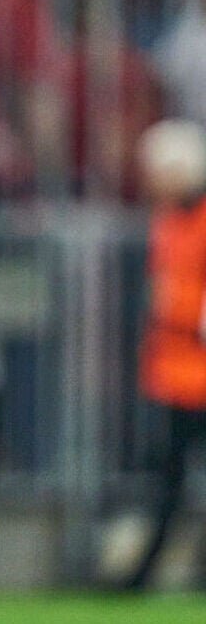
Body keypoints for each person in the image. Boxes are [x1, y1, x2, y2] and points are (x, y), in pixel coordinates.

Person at [124, 119, 206, 590]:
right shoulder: (170, 220)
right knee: (169, 481)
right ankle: (148, 573)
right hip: (175, 372)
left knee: (170, 482)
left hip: (192, 369)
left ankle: (144, 574)